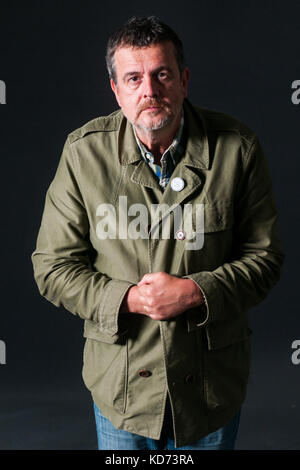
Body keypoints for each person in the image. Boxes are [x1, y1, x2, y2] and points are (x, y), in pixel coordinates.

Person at [31, 16, 284, 450]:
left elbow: (265, 258)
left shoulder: (238, 148)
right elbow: (51, 267)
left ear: (183, 80)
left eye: (161, 74)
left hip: (211, 386)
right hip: (122, 385)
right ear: (115, 89)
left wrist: (196, 292)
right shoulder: (83, 154)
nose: (149, 90)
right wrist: (129, 299)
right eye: (133, 78)